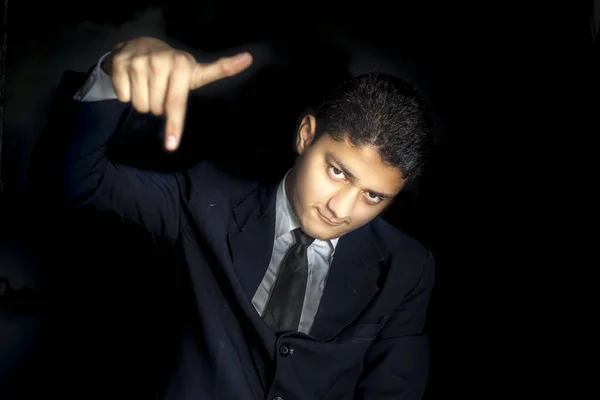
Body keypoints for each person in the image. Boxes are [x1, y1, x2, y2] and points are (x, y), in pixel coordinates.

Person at [30, 36, 436, 399]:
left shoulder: (407, 266)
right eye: (337, 171)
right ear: (306, 136)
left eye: (373, 195)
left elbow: (393, 389)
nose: (341, 209)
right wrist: (112, 75)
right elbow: (72, 184)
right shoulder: (204, 200)